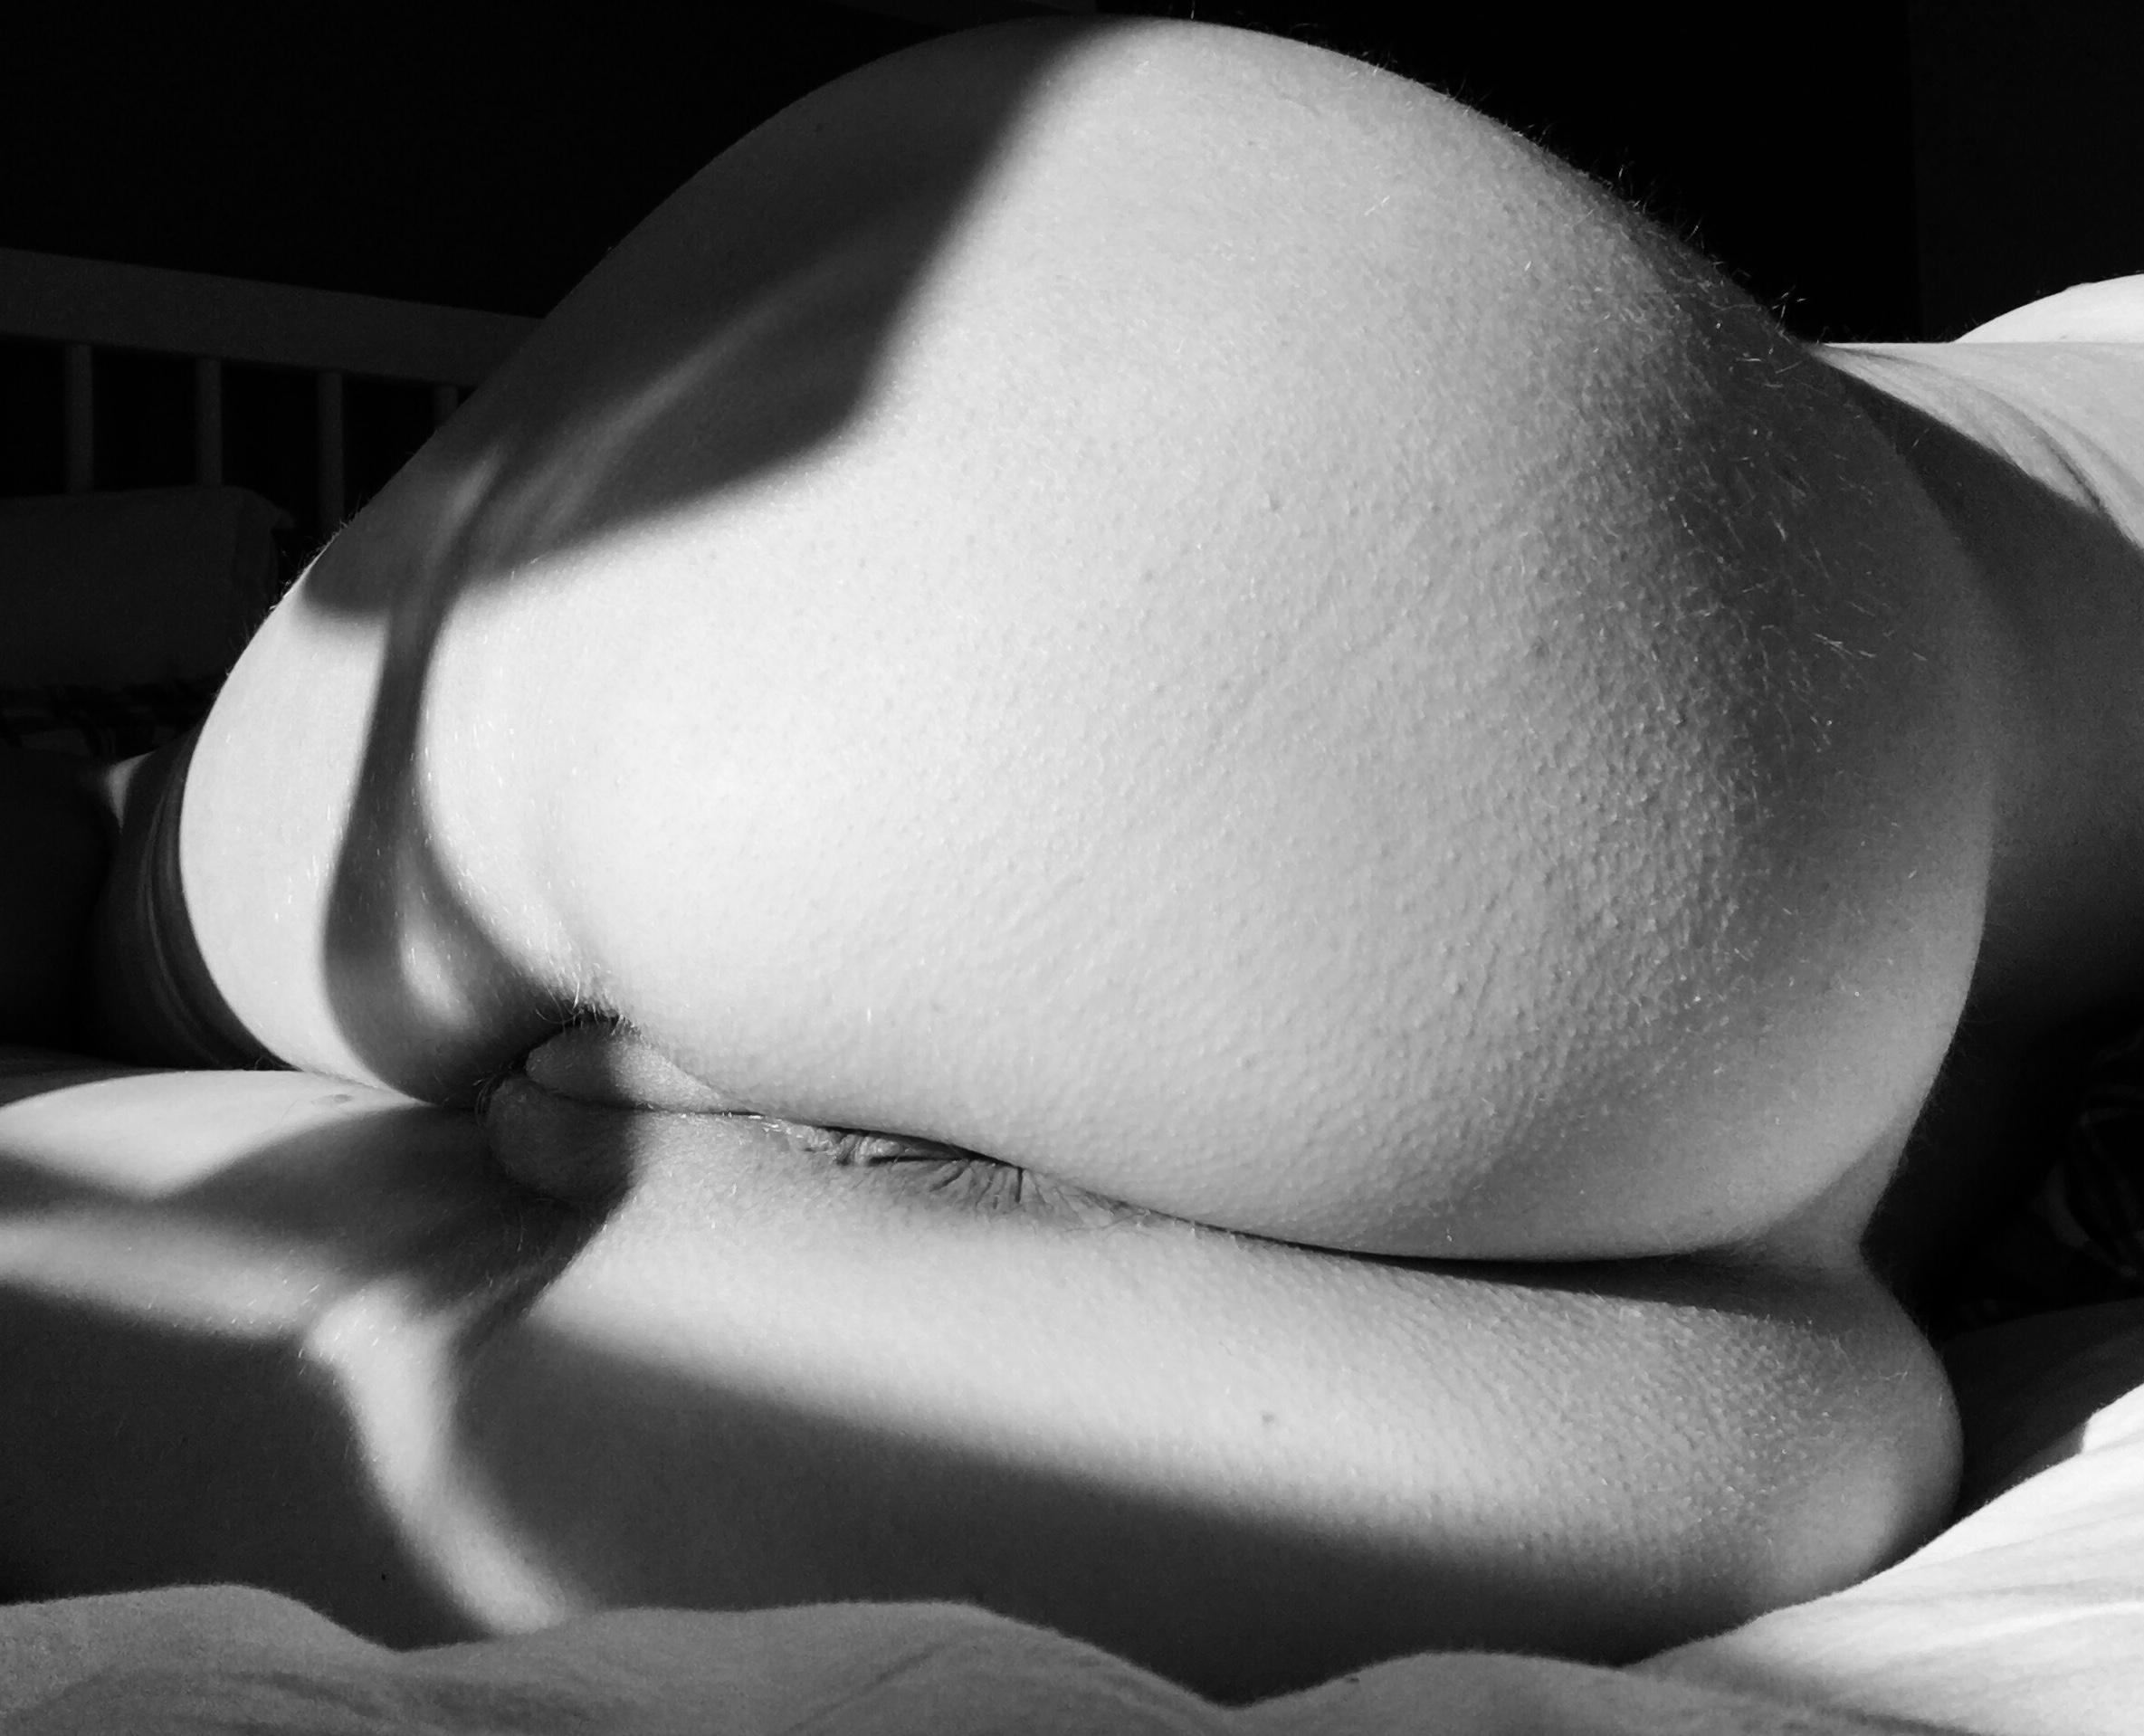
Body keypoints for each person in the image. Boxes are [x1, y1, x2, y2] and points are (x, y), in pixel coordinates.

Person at [5, 13, 2143, 1700]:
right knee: (1782, 1451)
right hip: (1733, 783)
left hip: (1303, 357)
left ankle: (119, 872)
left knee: (1778, 1453)